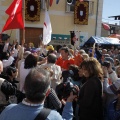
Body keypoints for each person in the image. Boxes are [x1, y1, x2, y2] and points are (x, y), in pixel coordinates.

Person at [0, 67, 77, 120]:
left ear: (25, 88)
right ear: (47, 93)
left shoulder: (8, 111)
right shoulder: (53, 116)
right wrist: (69, 102)